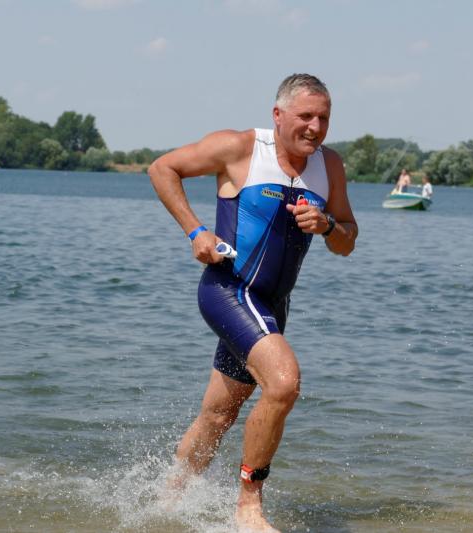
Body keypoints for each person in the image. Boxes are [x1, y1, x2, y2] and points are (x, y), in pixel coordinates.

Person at [148, 73, 357, 532]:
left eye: (324, 118)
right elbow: (162, 169)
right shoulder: (241, 147)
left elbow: (347, 240)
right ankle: (249, 507)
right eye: (306, 116)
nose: (315, 128)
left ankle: (167, 501)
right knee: (283, 384)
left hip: (272, 306)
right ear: (278, 115)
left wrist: (326, 225)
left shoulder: (330, 166)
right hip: (228, 291)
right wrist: (196, 231)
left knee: (218, 415)